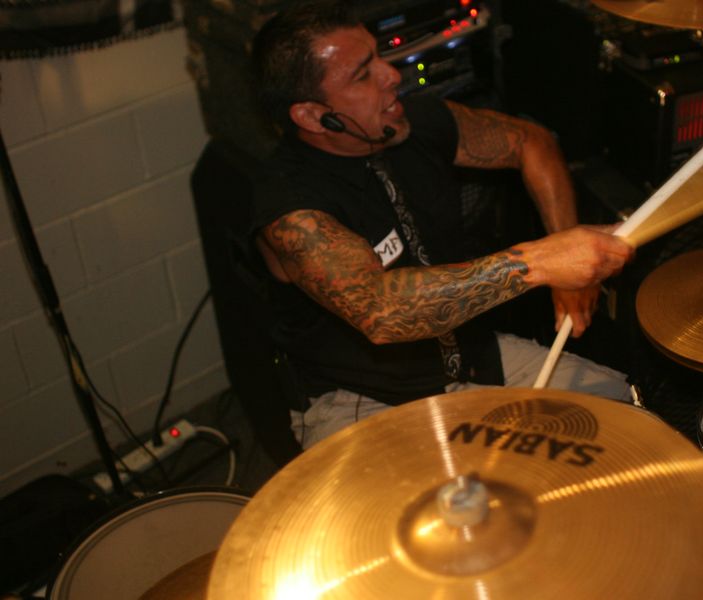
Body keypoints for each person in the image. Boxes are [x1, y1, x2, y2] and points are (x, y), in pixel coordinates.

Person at [249, 0, 635, 450]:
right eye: (363, 74)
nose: (391, 75)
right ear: (315, 116)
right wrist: (540, 263)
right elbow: (380, 311)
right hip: (363, 399)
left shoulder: (410, 120)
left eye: (378, 56)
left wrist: (568, 259)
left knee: (624, 421)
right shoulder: (290, 205)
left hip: (472, 358)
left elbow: (530, 142)